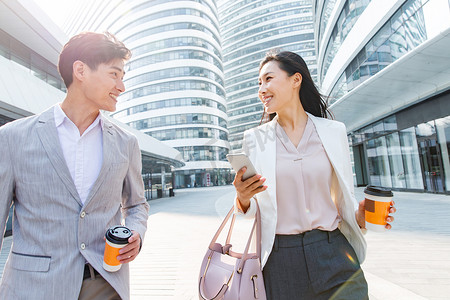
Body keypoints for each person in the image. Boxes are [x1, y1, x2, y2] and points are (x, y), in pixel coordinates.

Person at [233, 50, 396, 299]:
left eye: (268, 79)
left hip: (334, 252)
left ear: (295, 80)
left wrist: (360, 216)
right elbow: (254, 209)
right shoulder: (255, 140)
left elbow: (342, 196)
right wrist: (242, 198)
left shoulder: (333, 131)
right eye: (259, 83)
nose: (262, 89)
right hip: (280, 260)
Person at [0, 32, 149, 300]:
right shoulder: (12, 137)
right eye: (114, 74)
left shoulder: (127, 142)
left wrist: (136, 232)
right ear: (80, 70)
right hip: (32, 288)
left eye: (122, 77)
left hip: (105, 284)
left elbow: (136, 204)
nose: (122, 86)